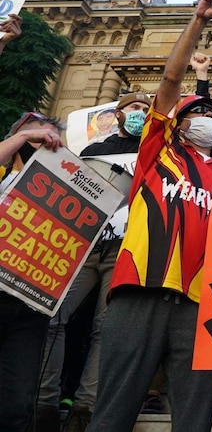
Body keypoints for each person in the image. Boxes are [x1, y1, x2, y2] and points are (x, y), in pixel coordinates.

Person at [88, 0, 212, 432]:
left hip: (200, 306)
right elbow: (171, 82)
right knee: (112, 414)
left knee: (195, 419)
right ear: (178, 122)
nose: (208, 118)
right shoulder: (158, 151)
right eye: (198, 112)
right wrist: (198, 22)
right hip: (139, 291)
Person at [36, 92, 151, 432]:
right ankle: (44, 400)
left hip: (126, 250)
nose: (141, 114)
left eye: (146, 110)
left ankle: (85, 408)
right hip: (83, 246)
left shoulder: (156, 151)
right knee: (52, 315)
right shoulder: (91, 152)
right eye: (134, 108)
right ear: (117, 114)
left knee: (107, 329)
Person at [0, 111, 64, 432]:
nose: (45, 141)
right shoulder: (2, 172)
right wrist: (23, 138)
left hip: (29, 308)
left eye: (52, 138)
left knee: (16, 403)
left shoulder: (64, 191)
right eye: (38, 135)